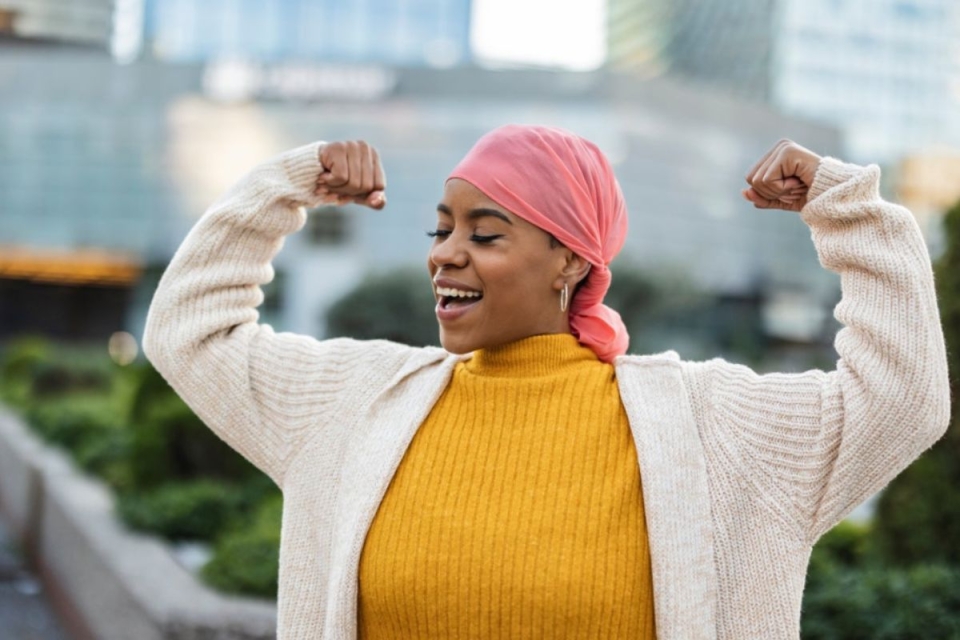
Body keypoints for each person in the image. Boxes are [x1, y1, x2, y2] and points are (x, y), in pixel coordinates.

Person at [142, 125, 949, 640]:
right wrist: (285, 188)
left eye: (485, 233)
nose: (444, 253)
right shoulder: (356, 403)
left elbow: (901, 398)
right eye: (441, 229)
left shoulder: (712, 429)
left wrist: (849, 211)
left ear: (569, 260)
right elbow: (192, 331)